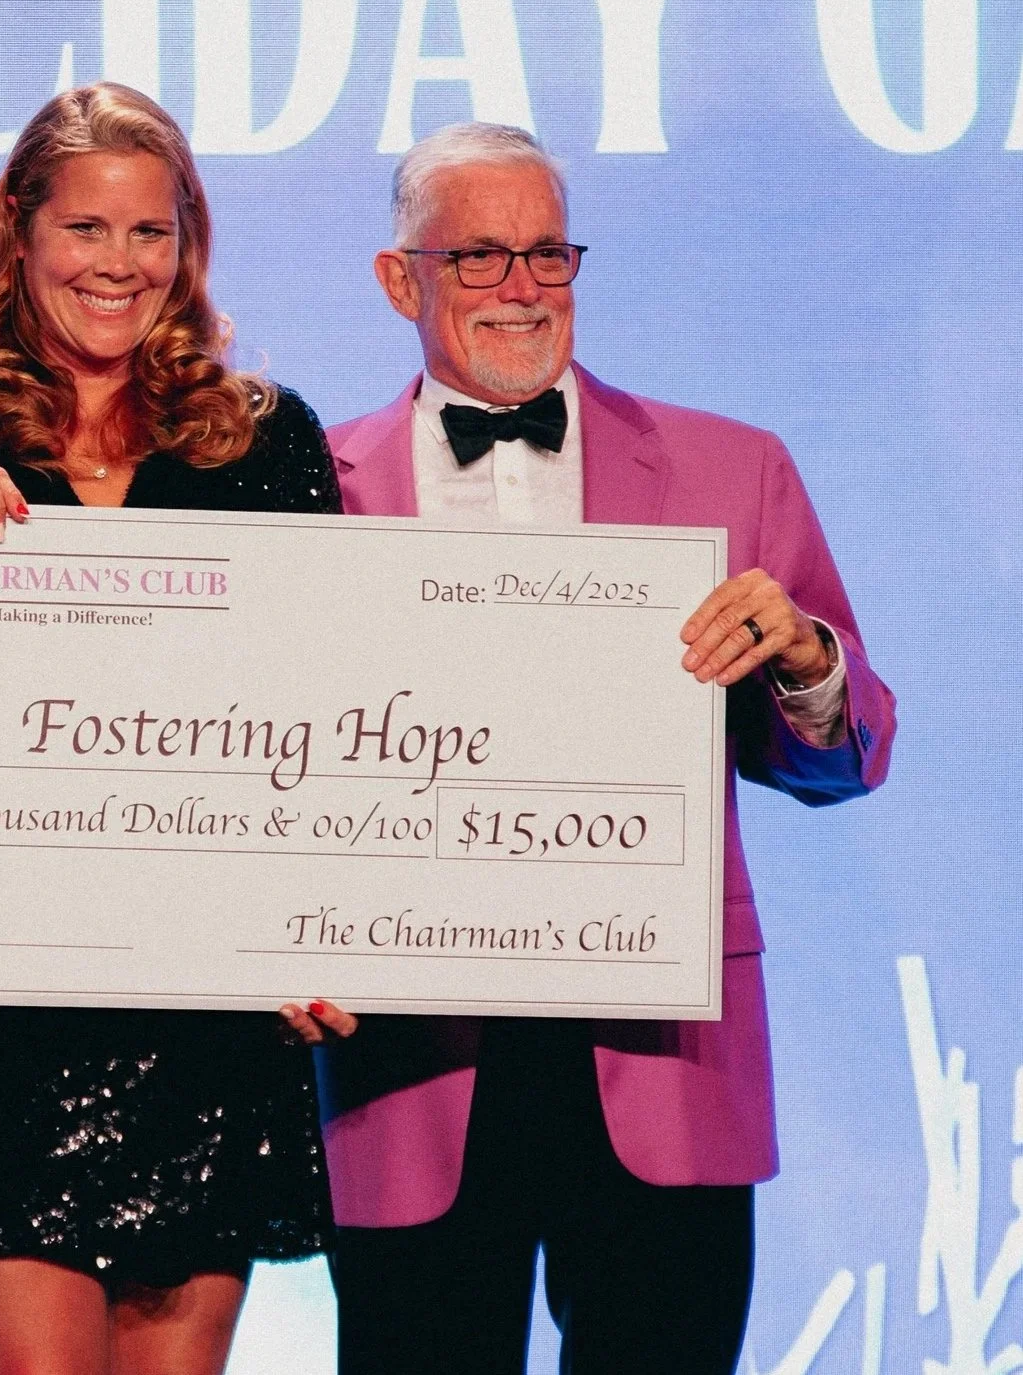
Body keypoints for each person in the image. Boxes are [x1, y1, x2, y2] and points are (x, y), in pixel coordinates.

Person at [288, 122, 896, 1373]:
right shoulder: (309, 487)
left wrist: (803, 659)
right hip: (412, 1062)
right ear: (399, 280)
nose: (521, 287)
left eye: (547, 254)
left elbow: (844, 758)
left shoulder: (733, 468)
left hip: (657, 1054)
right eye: (478, 256)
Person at [0, 82, 338, 1374]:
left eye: (149, 231)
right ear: (19, 231)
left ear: (186, 244)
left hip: (209, 1032)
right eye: (85, 227)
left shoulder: (266, 445)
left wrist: (328, 928)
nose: (118, 264)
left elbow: (324, 710)